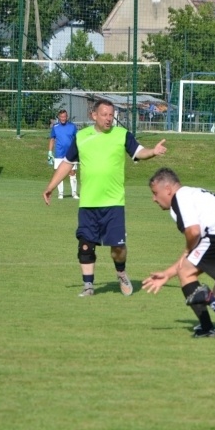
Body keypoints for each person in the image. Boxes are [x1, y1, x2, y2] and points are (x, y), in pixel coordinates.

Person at [43, 99, 167, 297]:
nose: (109, 119)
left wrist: (152, 151)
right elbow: (67, 164)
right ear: (94, 115)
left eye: (111, 115)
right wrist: (50, 187)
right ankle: (88, 286)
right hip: (88, 203)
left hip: (114, 203)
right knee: (85, 245)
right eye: (105, 115)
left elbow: (138, 152)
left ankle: (121, 273)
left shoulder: (122, 135)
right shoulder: (82, 137)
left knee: (118, 247)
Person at [142, 167, 215, 338]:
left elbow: (194, 232)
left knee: (186, 273)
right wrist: (168, 274)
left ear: (168, 189)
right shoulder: (195, 194)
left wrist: (187, 251)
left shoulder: (180, 197)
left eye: (155, 193)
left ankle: (207, 328)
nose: (154, 198)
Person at [48, 109, 79, 200]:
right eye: (61, 117)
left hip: (71, 154)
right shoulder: (55, 127)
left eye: (64, 116)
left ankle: (74, 193)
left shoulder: (72, 126)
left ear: (67, 117)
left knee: (72, 172)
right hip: (59, 154)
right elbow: (52, 139)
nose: (63, 118)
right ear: (59, 117)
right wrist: (50, 152)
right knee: (58, 173)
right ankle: (60, 193)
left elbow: (77, 139)